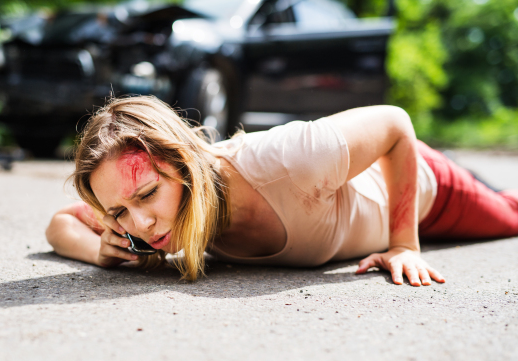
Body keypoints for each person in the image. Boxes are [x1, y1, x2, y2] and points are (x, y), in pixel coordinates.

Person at [46, 96, 518, 284]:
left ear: (183, 162)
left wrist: (403, 245)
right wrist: (100, 252)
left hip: (428, 191)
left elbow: (396, 124)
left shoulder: (290, 157)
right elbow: (61, 224)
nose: (141, 225)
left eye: (147, 195)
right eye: (119, 212)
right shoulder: (140, 214)